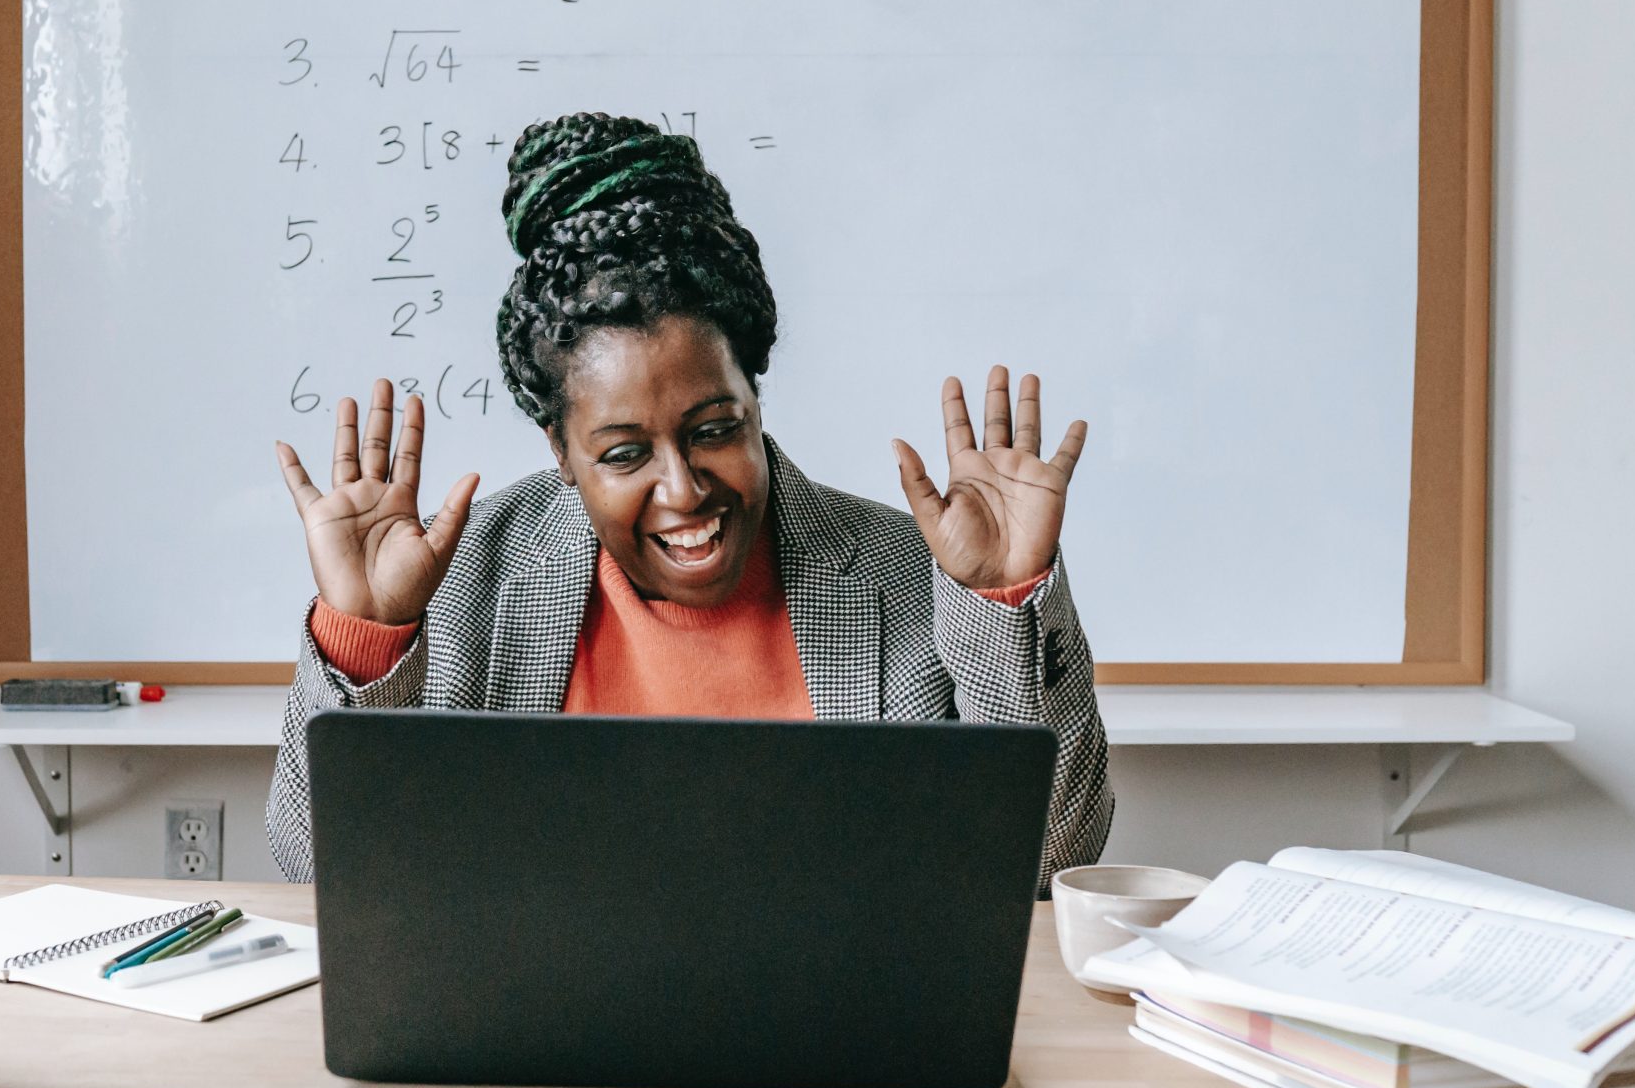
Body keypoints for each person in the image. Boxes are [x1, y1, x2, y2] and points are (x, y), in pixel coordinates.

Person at [267, 112, 1112, 889]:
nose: (682, 489)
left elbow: (1048, 863)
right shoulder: (461, 586)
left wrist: (1003, 602)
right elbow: (318, 868)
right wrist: (367, 639)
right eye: (626, 452)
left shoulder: (910, 576)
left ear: (755, 399)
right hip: (547, 1049)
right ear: (561, 451)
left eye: (713, 429)